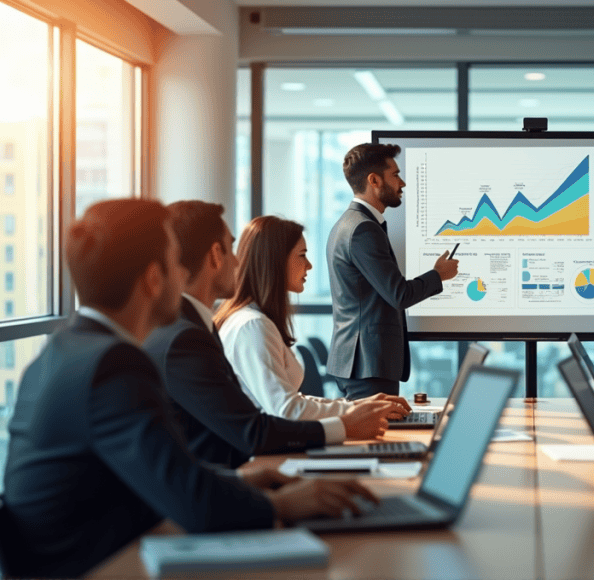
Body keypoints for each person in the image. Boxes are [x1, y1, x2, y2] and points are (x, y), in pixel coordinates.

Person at [1, 199, 379, 577]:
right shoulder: (114, 365)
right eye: (175, 263)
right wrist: (285, 504)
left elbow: (162, 472)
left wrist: (241, 480)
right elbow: (194, 504)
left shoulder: (64, 352)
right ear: (153, 279)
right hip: (95, 566)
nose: (183, 275)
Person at [145, 202, 406, 468]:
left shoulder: (205, 327)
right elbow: (272, 417)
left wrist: (352, 410)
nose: (238, 261)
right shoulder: (234, 328)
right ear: (215, 254)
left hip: (246, 471)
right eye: (302, 255)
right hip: (242, 474)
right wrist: (346, 423)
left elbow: (265, 412)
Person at [214, 215, 404, 429]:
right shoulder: (252, 326)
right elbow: (287, 410)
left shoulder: (254, 321)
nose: (309, 265)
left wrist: (358, 405)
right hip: (268, 456)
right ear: (275, 260)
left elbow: (293, 402)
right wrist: (353, 412)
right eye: (302, 255)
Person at [326, 143, 459, 399]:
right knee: (377, 438)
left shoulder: (348, 223)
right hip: (367, 364)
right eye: (396, 175)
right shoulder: (363, 229)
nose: (403, 183)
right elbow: (399, 294)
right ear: (374, 180)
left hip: (360, 362)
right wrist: (438, 274)